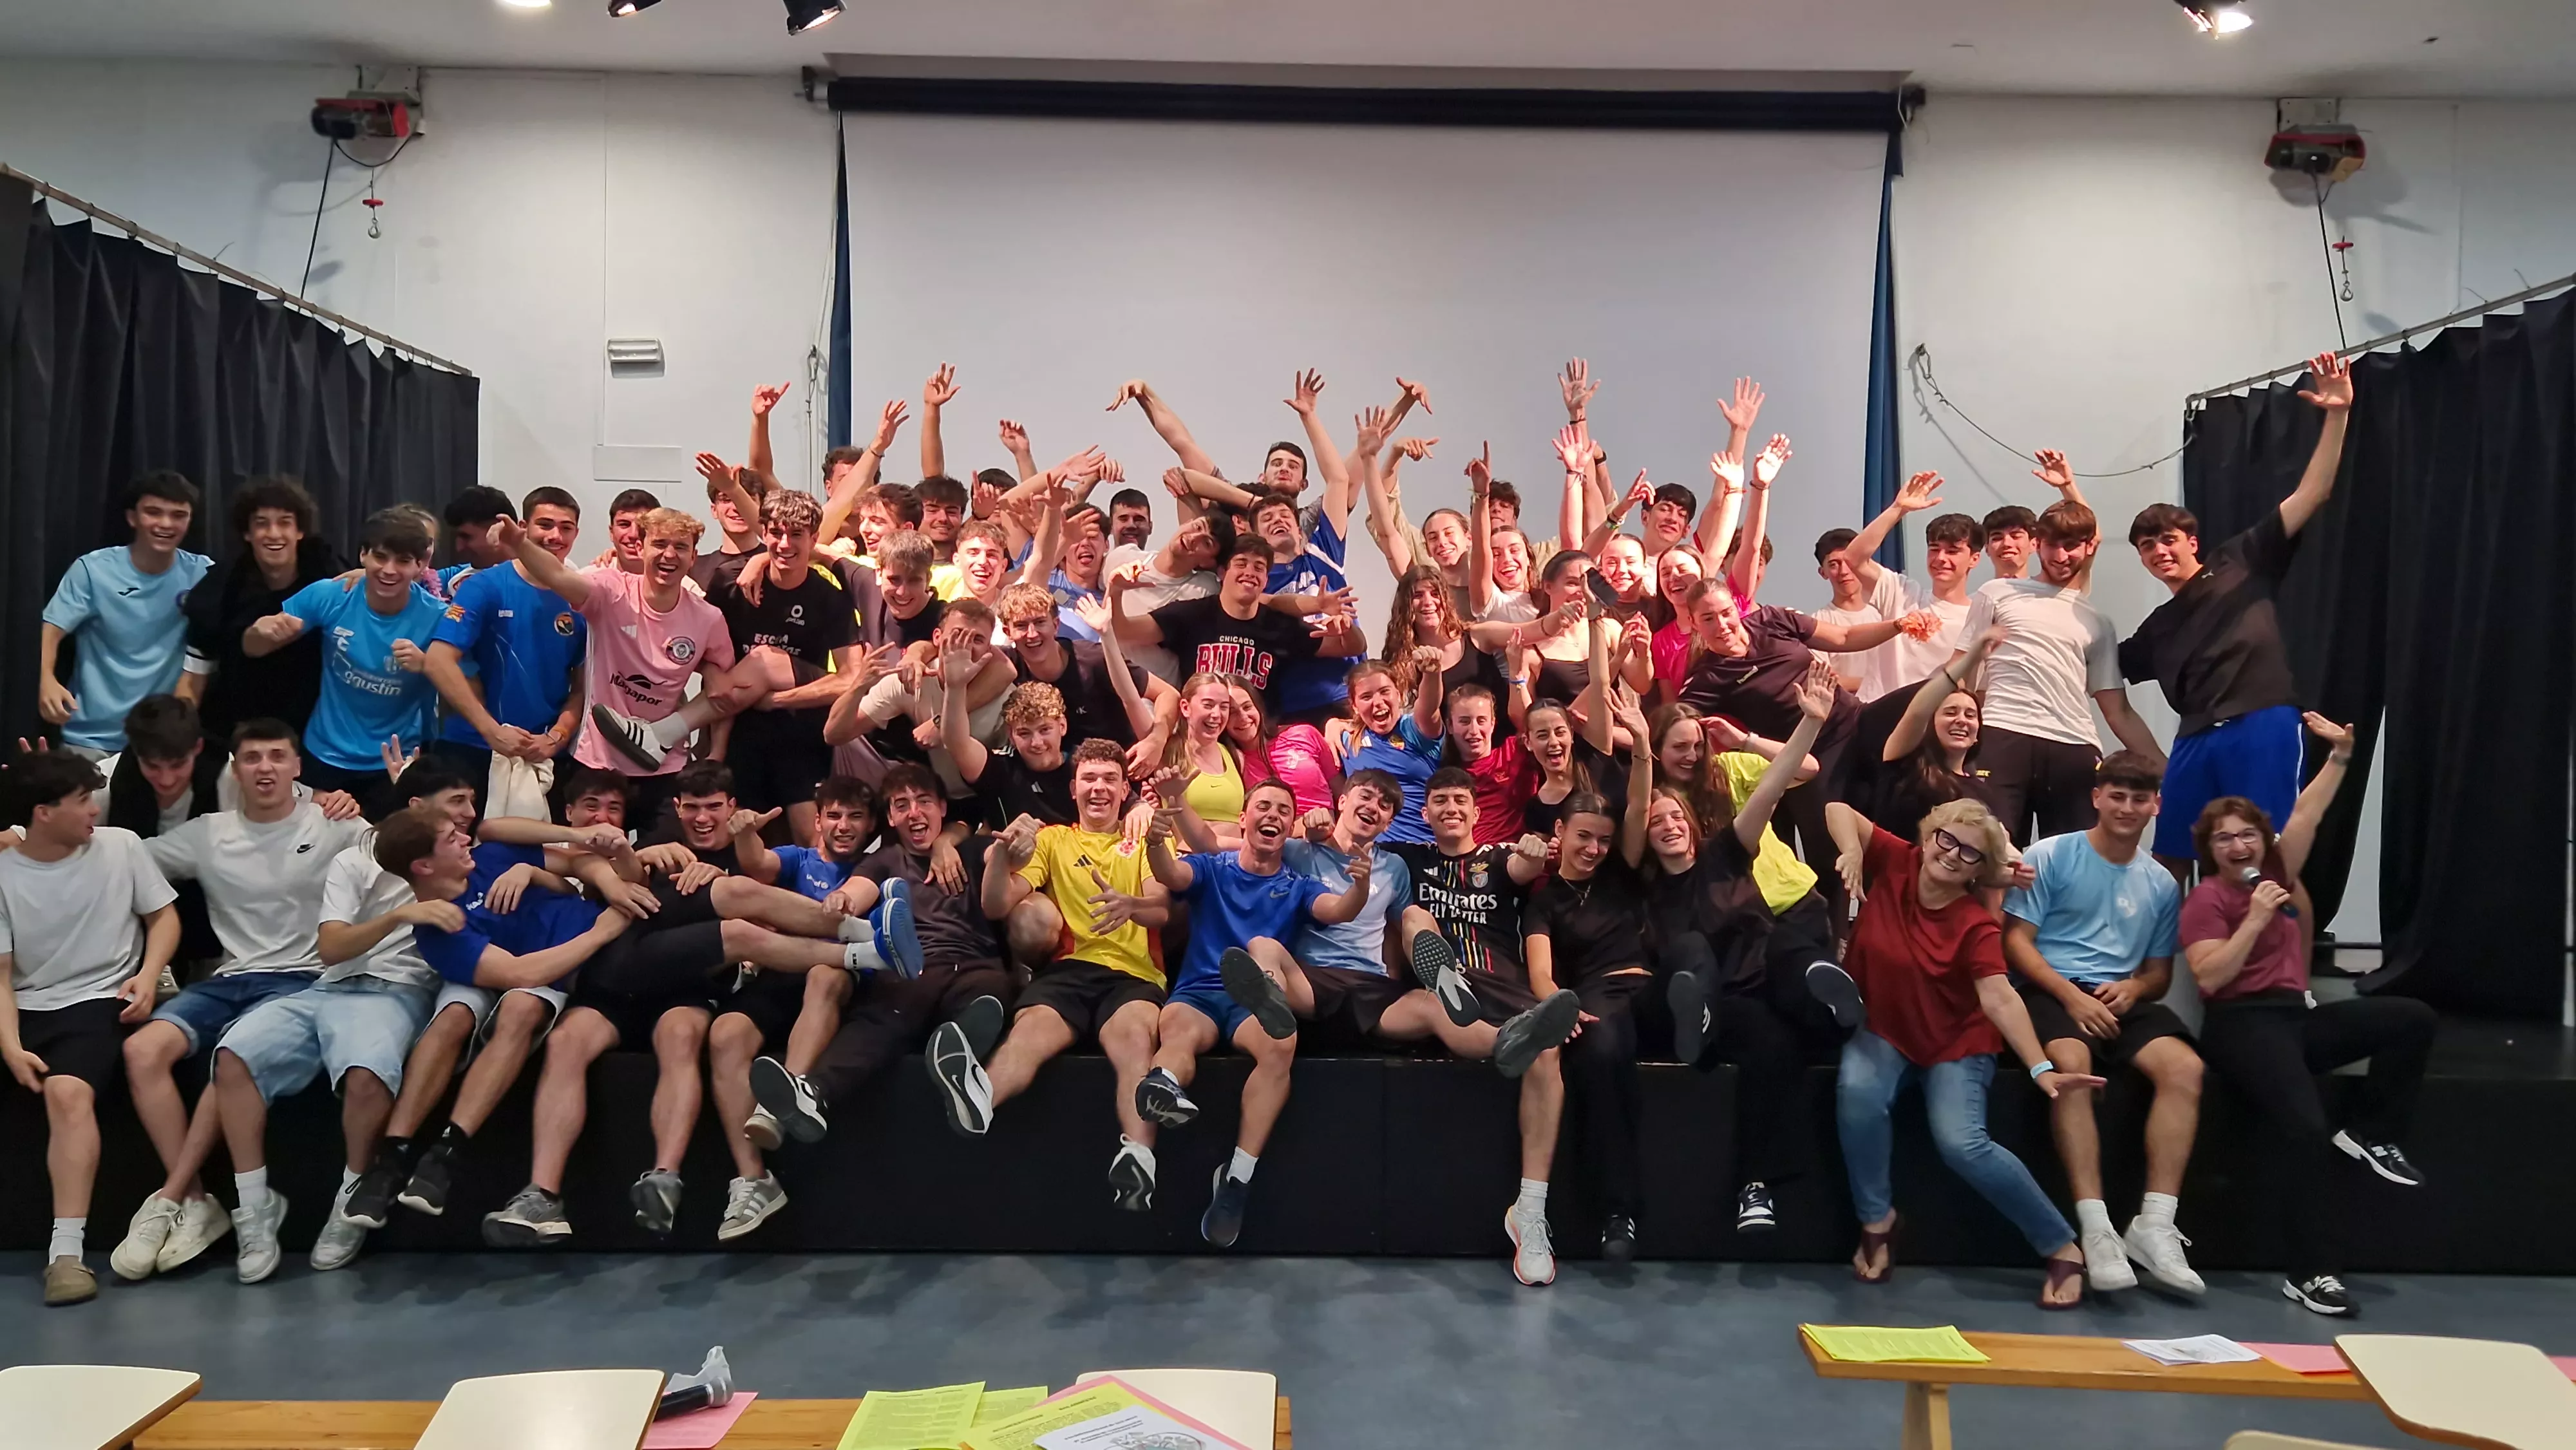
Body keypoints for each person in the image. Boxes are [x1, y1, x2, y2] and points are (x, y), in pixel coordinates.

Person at [2181, 715, 2436, 1317]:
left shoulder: (2277, 871)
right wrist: (2255, 920)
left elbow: (2308, 813)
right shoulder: (2206, 900)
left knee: (2412, 1018)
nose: (2239, 846)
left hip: (2297, 1018)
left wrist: (2342, 754)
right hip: (2242, 1025)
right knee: (2302, 1127)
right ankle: (2312, 1271)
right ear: (2210, 850)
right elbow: (2211, 977)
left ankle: (2373, 1132)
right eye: (2225, 839)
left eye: (2247, 835)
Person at [113, 720, 372, 1283]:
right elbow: (118, 861)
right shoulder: (208, 832)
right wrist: (17, 831)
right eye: (252, 758)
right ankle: (198, 1201)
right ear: (234, 769)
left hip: (303, 982)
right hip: (228, 979)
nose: (265, 768)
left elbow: (405, 852)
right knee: (142, 1052)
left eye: (278, 757)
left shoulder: (335, 824)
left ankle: (167, 1199)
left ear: (297, 767)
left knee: (234, 1055)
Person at [1824, 796, 2100, 1308]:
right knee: (1857, 1094)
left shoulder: (1975, 923)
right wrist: (1852, 851)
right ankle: (1876, 1220)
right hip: (1883, 1029)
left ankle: (2061, 1244)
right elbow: (1838, 807)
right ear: (1929, 837)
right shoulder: (1897, 859)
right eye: (1945, 840)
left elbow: (1999, 995)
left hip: (1956, 1042)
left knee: (1962, 1143)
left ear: (1981, 869)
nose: (1951, 855)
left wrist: (2040, 1066)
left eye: (1969, 853)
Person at [196, 766, 466, 1279]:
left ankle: (353, 1199)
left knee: (366, 1072)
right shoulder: (355, 862)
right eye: (453, 809)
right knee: (234, 1054)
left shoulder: (466, 872)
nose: (465, 822)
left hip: (396, 994)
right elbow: (331, 946)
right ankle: (254, 1206)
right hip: (326, 987)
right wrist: (399, 916)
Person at [1624, 666, 1847, 1235]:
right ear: (1645, 834)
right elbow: (1630, 813)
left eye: (1678, 817)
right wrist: (1643, 754)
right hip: (1695, 1003)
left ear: (1696, 826)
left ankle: (1758, 1185)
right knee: (1692, 948)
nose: (1670, 824)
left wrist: (1811, 723)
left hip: (1747, 990)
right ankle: (1696, 1016)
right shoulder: (1642, 882)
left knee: (1782, 1008)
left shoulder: (1728, 852)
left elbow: (1772, 789)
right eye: (1658, 821)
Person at [366, 771, 639, 1223]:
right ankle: (401, 1158)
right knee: (471, 1012)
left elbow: (577, 862)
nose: (466, 825)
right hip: (545, 965)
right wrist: (601, 930)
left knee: (521, 1005)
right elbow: (518, 972)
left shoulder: (487, 852)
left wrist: (565, 876)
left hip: (572, 949)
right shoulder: (438, 922)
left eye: (469, 808)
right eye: (455, 811)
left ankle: (439, 1154)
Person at [2124, 353, 2354, 871]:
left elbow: (2313, 493)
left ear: (2192, 542)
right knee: (2168, 861)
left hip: (2262, 722)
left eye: (2167, 540)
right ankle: (2169, 956)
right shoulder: (2156, 630)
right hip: (2194, 738)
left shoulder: (2241, 559)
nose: (2159, 551)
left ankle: (2267, 952)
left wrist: (2337, 413)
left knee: (2266, 853)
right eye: (2146, 546)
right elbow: (2096, 665)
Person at [2002, 751, 2202, 1297]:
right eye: (2117, 795)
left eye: (2140, 798)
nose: (2127, 807)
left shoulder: (2161, 883)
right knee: (2072, 1063)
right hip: (2050, 988)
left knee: (2185, 1068)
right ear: (2097, 797)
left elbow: (2158, 973)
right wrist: (2072, 996)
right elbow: (2016, 942)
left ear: (2156, 805)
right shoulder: (2052, 855)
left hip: (2118, 996)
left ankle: (2155, 1224)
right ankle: (2097, 1228)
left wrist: (2135, 989)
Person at [1135, 777, 1365, 1247]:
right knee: (1178, 1034)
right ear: (1244, 819)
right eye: (1263, 806)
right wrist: (1157, 840)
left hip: (1252, 1004)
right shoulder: (1212, 867)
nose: (1273, 816)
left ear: (1290, 826)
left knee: (1282, 1043)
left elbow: (1339, 910)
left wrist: (1360, 887)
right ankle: (1163, 1085)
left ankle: (1236, 1180)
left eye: (1284, 810)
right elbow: (1171, 876)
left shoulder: (1297, 886)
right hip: (1199, 992)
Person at [943, 742, 1170, 1208]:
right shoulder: (1052, 840)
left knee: (1133, 1045)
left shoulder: (1144, 842)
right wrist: (1002, 856)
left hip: (1132, 974)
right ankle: (979, 1100)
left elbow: (1162, 911)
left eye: (1110, 778)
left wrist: (1132, 906)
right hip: (1068, 970)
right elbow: (996, 905)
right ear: (1074, 789)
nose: (1099, 788)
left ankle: (1139, 1157)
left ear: (1125, 789)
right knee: (1030, 1034)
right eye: (1090, 779)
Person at [0, 751, 181, 1305]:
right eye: (81, 802)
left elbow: (163, 917)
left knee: (67, 1091)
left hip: (99, 1000)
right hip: (27, 1006)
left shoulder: (122, 846)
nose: (92, 811)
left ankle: (67, 1255)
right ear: (42, 813)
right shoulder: (5, 873)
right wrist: (9, 1046)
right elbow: (2, 975)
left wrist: (149, 976)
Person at [752, 766, 1005, 1161]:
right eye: (901, 806)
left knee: (990, 996)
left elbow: (998, 851)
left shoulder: (970, 849)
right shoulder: (886, 860)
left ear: (942, 808)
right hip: (912, 966)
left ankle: (961, 1066)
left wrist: (1010, 844)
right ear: (890, 818)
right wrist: (843, 901)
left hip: (972, 962)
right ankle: (812, 1094)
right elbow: (858, 890)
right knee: (878, 1021)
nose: (914, 813)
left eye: (923, 802)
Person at [1388, 767, 1580, 1285]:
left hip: (1501, 986)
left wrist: (1535, 854)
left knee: (1546, 1050)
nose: (1451, 808)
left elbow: (1522, 864)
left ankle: (1531, 1211)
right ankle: (1445, 976)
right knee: (1412, 919)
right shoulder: (1408, 857)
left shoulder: (1497, 857)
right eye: (1440, 801)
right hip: (1440, 989)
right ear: (1425, 813)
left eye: (1460, 801)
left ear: (1476, 812)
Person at [499, 509, 768, 824]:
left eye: (680, 547)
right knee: (594, 859)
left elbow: (724, 695)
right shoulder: (611, 590)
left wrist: (716, 754)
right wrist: (520, 544)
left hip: (664, 766)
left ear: (694, 557)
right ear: (641, 549)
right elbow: (558, 577)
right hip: (599, 760)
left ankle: (658, 734)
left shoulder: (708, 618)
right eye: (660, 544)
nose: (669, 554)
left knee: (665, 865)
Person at [1955, 500, 2164, 845]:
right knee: (1990, 852)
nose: (2062, 556)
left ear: (2088, 547)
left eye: (2072, 546)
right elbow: (1959, 671)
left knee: (2075, 860)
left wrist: (2168, 769)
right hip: (2003, 733)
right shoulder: (1997, 593)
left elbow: (2119, 710)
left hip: (2073, 746)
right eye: (2053, 544)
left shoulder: (2097, 622)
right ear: (2037, 543)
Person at [1522, 763, 1658, 1266]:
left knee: (1690, 955)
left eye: (1603, 839)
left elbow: (1641, 806)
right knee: (1601, 1053)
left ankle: (1702, 1014)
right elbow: (1540, 971)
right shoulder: (1545, 902)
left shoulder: (1620, 871)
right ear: (1559, 831)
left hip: (1654, 990)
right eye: (1584, 837)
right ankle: (1617, 1213)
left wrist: (1643, 747)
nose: (1595, 849)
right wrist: (1559, 1005)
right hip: (1599, 997)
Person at [243, 509, 447, 802]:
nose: (389, 570)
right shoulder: (332, 595)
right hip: (325, 753)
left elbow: (467, 689)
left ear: (419, 566)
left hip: (396, 762)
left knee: (389, 846)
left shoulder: (437, 617)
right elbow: (253, 649)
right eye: (380, 557)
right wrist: (259, 632)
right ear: (363, 555)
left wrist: (428, 666)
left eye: (402, 561)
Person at [710, 490, 866, 843]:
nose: (784, 544)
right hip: (739, 733)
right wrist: (711, 674)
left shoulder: (830, 598)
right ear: (763, 532)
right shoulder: (729, 581)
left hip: (801, 738)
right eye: (777, 533)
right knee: (744, 842)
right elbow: (700, 651)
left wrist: (780, 700)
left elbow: (850, 679)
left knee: (811, 843)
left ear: (814, 539)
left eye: (796, 534)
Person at [422, 487, 588, 811]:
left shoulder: (583, 597)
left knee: (542, 859)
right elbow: (438, 661)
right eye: (545, 524)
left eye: (565, 527)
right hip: (472, 749)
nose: (555, 535)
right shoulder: (484, 587)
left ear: (576, 534)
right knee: (461, 854)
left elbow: (582, 686)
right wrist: (492, 731)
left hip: (542, 756)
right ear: (523, 527)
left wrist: (555, 738)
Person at [40, 471, 213, 758]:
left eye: (178, 515)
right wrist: (45, 678)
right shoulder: (94, 570)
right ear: (133, 518)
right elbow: (52, 627)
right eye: (154, 512)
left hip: (162, 745)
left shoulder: (203, 574)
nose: (166, 524)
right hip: (90, 738)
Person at [1114, 537, 1362, 718]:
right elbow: (1124, 630)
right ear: (1223, 572)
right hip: (1200, 736)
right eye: (1241, 564)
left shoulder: (1277, 625)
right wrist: (1115, 593)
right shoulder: (1192, 614)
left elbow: (1352, 646)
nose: (1250, 572)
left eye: (1259, 568)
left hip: (1257, 740)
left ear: (1266, 580)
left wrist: (1345, 626)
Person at [178, 475, 344, 742]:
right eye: (262, 524)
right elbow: (194, 678)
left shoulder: (331, 575)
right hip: (238, 728)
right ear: (247, 533)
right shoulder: (221, 589)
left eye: (285, 523)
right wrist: (178, 739)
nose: (274, 534)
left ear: (300, 531)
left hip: (315, 733)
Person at [1827, 474, 1978, 703]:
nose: (1940, 559)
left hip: (1928, 726)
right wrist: (1898, 509)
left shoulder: (1977, 618)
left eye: (1953, 551)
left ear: (1974, 559)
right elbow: (1854, 557)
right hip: (1874, 713)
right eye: (1934, 549)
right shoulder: (1904, 592)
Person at [999, 580, 1173, 753]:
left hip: (1118, 766)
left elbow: (1167, 693)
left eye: (1040, 623)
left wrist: (1157, 739)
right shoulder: (1005, 666)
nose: (1032, 634)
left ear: (1056, 625)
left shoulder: (1093, 659)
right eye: (1021, 626)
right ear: (1008, 632)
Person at [1874, 628, 2009, 840]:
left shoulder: (1984, 795)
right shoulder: (1907, 764)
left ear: (1977, 735)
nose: (1961, 720)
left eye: (1971, 715)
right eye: (1950, 712)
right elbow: (1917, 712)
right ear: (1931, 723)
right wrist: (1971, 659)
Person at [1327, 659, 1443, 847]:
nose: (1378, 703)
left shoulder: (1415, 729)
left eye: (1384, 691)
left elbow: (1429, 707)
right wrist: (1332, 724)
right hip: (1369, 854)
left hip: (1422, 849)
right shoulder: (1346, 739)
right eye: (1366, 697)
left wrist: (1432, 674)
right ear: (1354, 705)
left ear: (1399, 693)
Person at [1381, 565, 1503, 708]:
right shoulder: (1400, 660)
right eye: (1418, 595)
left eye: (1435, 594)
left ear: (1446, 598)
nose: (1428, 602)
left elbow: (1526, 632)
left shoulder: (1477, 636)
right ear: (1405, 604)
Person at [1224, 680, 1335, 818]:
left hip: (1328, 835)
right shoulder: (1228, 762)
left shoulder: (1303, 733)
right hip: (1277, 837)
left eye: (1247, 707)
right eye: (1231, 712)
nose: (1243, 717)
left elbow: (1341, 790)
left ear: (1258, 707)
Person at [1982, 505, 2038, 581]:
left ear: (2034, 544)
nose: (2006, 544)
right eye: (1997, 538)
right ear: (1987, 548)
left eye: (2016, 536)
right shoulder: (1983, 593)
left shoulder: (2047, 593)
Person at [1108, 488, 1155, 552]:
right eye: (1123, 519)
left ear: (1150, 527)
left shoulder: (1158, 561)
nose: (1131, 525)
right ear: (1111, 526)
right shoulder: (1098, 561)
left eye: (1139, 519)